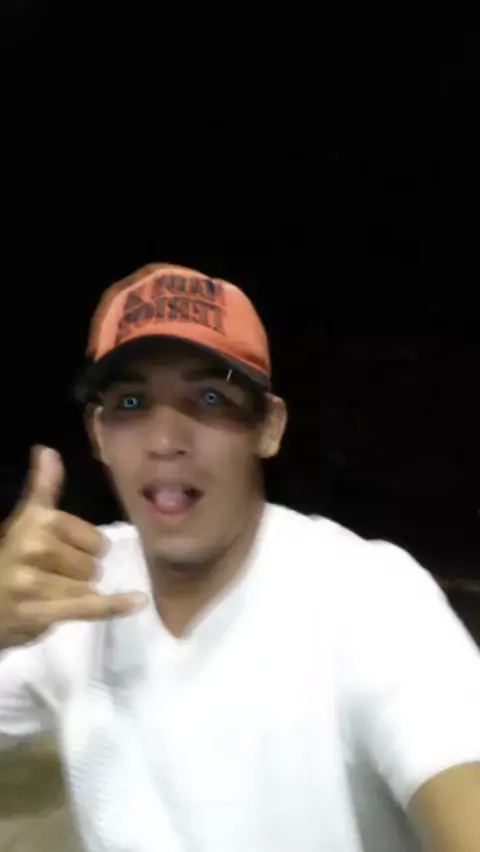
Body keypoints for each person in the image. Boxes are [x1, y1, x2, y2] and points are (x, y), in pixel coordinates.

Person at [0, 262, 479, 852]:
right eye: (131, 401)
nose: (165, 441)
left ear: (269, 427)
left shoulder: (367, 597)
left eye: (209, 397)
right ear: (98, 435)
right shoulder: (69, 591)